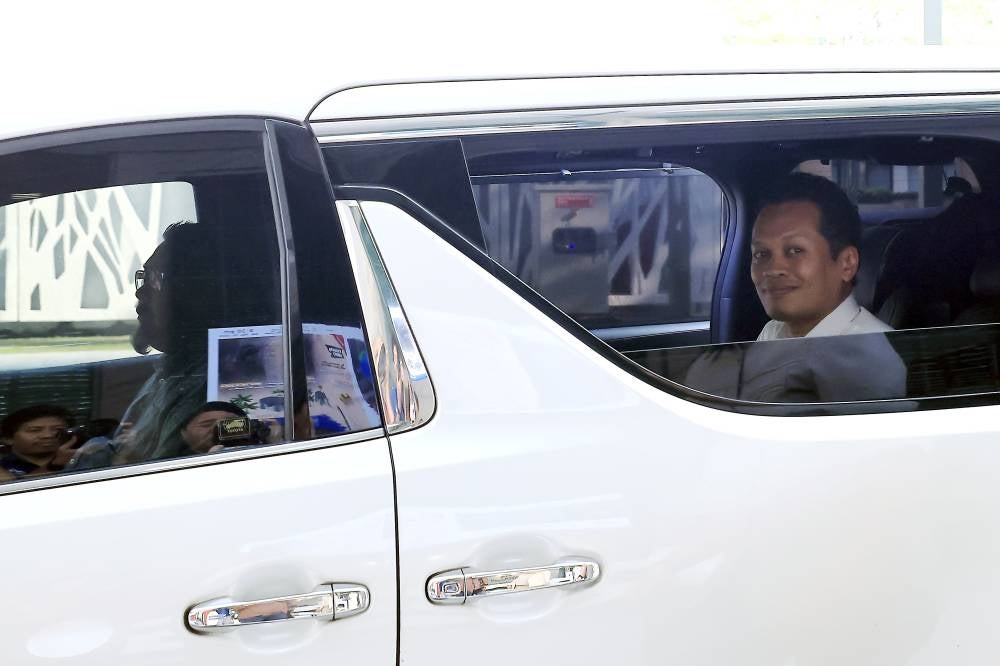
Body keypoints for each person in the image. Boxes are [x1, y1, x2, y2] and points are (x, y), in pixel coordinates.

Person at [71, 221, 276, 470]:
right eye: (143, 278)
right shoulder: (175, 370)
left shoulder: (211, 380)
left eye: (155, 279)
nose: (140, 293)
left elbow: (152, 470)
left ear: (198, 291)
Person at [750, 172, 892, 340]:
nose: (773, 269)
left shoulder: (880, 353)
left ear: (847, 263)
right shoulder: (773, 333)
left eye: (795, 251)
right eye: (761, 254)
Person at [0, 405, 78, 480]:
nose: (48, 435)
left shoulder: (80, 459)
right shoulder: (3, 467)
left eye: (58, 429)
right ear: (8, 439)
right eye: (34, 430)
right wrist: (55, 465)